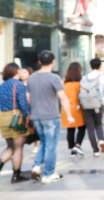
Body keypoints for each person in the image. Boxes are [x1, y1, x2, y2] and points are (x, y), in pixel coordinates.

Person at [28, 51, 75, 184]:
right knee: (51, 146)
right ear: (53, 62)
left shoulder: (32, 78)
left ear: (39, 62)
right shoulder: (54, 78)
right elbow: (62, 97)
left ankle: (37, 165)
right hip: (51, 116)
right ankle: (48, 174)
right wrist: (69, 115)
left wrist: (33, 111)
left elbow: (28, 98)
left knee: (43, 142)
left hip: (36, 116)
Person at [0, 63, 31, 183]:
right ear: (16, 71)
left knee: (10, 146)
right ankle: (16, 174)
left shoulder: (1, 86)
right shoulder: (19, 85)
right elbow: (23, 103)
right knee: (18, 147)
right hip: (16, 116)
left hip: (3, 117)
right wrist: (28, 115)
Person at [80, 58, 104, 156]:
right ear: (100, 66)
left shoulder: (84, 77)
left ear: (90, 66)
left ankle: (95, 150)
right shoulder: (103, 77)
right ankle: (101, 140)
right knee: (98, 124)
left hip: (86, 105)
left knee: (90, 128)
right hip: (98, 104)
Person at [62, 62, 86, 158]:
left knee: (70, 130)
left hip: (66, 109)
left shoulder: (64, 83)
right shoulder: (80, 83)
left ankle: (72, 150)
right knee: (82, 127)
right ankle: (78, 144)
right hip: (77, 108)